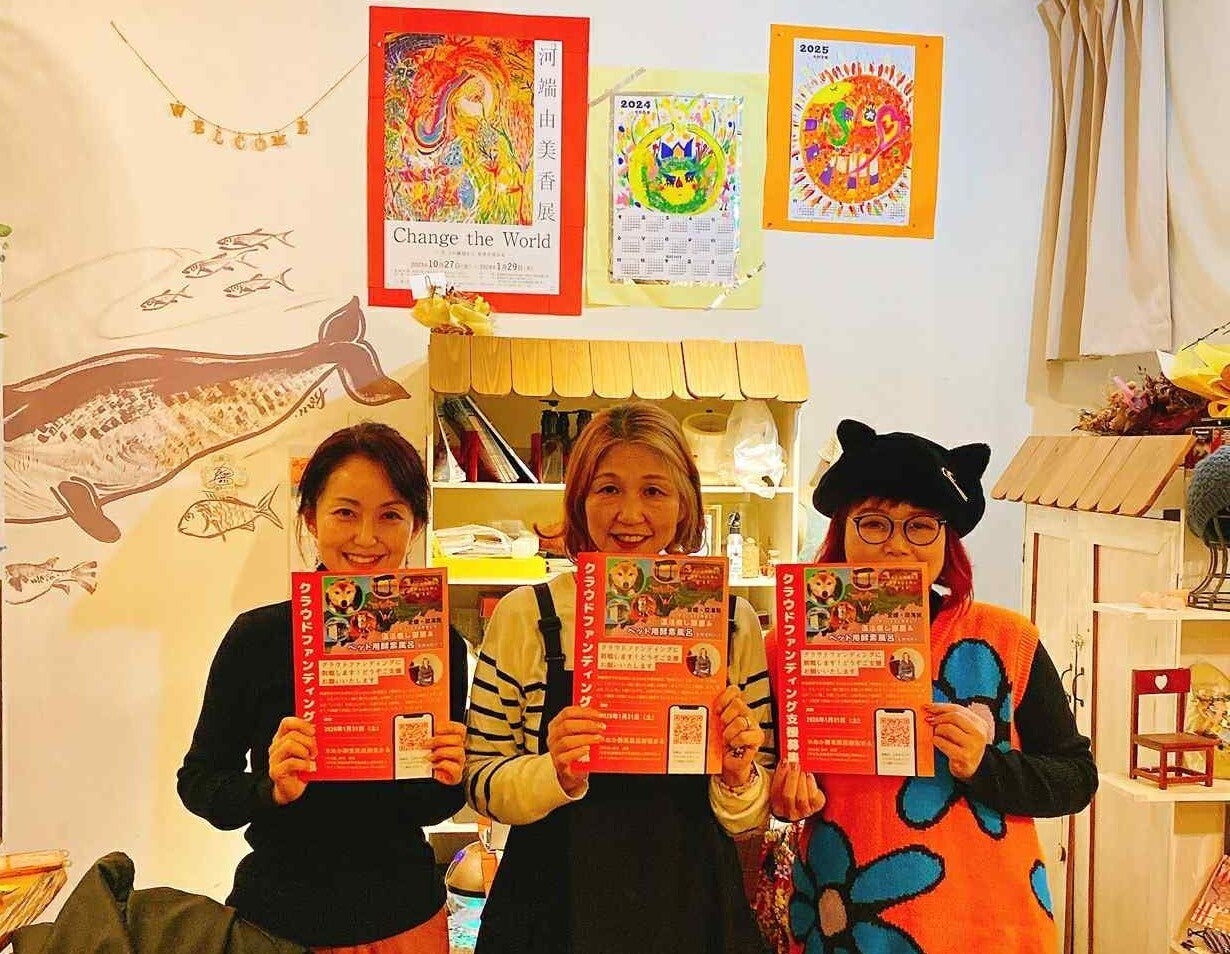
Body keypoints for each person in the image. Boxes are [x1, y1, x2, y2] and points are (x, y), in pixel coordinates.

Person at [769, 419, 1097, 954]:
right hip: (844, 918)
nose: (897, 546)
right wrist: (782, 799)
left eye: (921, 526)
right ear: (841, 531)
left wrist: (985, 765)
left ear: (948, 538)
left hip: (985, 923)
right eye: (873, 523)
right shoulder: (789, 643)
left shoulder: (1005, 639)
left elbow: (1076, 778)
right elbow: (759, 780)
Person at [464, 402, 773, 954]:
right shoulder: (526, 615)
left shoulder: (730, 621)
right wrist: (554, 772)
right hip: (551, 910)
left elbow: (754, 809)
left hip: (691, 908)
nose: (631, 513)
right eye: (608, 488)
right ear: (579, 500)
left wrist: (738, 774)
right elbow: (480, 781)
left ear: (685, 503)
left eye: (654, 490)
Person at [177, 423, 469, 953]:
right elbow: (199, 783)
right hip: (279, 925)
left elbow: (429, 808)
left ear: (416, 525)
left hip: (404, 920)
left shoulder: (435, 641)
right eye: (346, 512)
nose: (366, 538)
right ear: (311, 517)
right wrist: (269, 788)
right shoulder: (257, 638)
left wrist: (451, 775)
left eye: (390, 515)